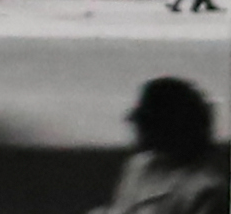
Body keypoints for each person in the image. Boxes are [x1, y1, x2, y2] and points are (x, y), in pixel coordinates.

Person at [88, 77, 226, 214]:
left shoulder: (204, 189)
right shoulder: (138, 166)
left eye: (147, 124)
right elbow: (120, 209)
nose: (138, 130)